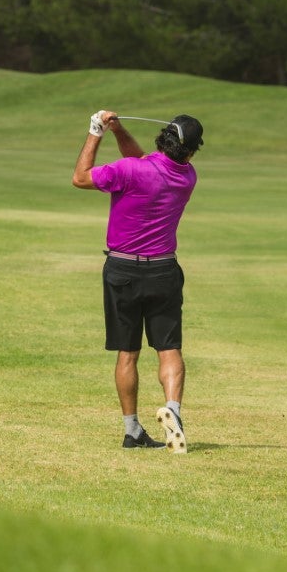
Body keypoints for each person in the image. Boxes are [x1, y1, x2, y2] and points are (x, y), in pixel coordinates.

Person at [72, 110, 203, 453]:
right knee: (169, 349)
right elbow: (145, 162)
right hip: (163, 271)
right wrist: (120, 131)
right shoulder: (187, 176)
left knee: (128, 353)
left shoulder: (130, 170)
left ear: (163, 139)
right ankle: (173, 409)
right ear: (190, 151)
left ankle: (132, 430)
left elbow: (80, 177)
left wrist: (97, 131)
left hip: (122, 271)